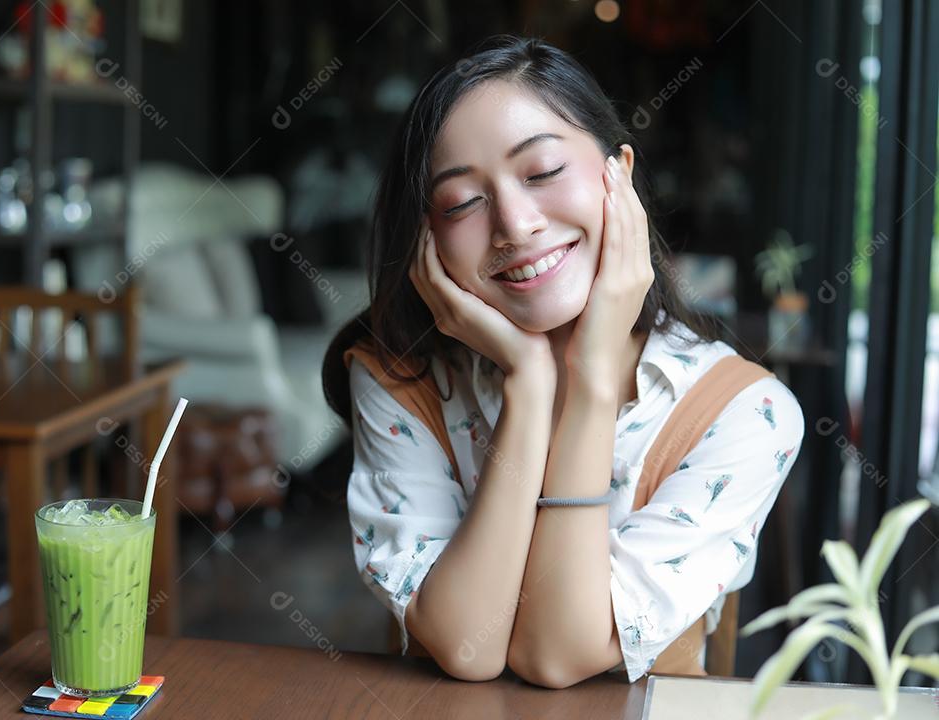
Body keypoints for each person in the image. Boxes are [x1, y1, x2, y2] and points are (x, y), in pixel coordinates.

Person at [321, 35, 804, 688]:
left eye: (543, 171)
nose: (516, 224)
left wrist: (593, 383)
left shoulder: (746, 413)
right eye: (462, 202)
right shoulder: (398, 381)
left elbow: (555, 657)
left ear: (620, 175)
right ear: (425, 238)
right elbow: (468, 649)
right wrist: (528, 384)